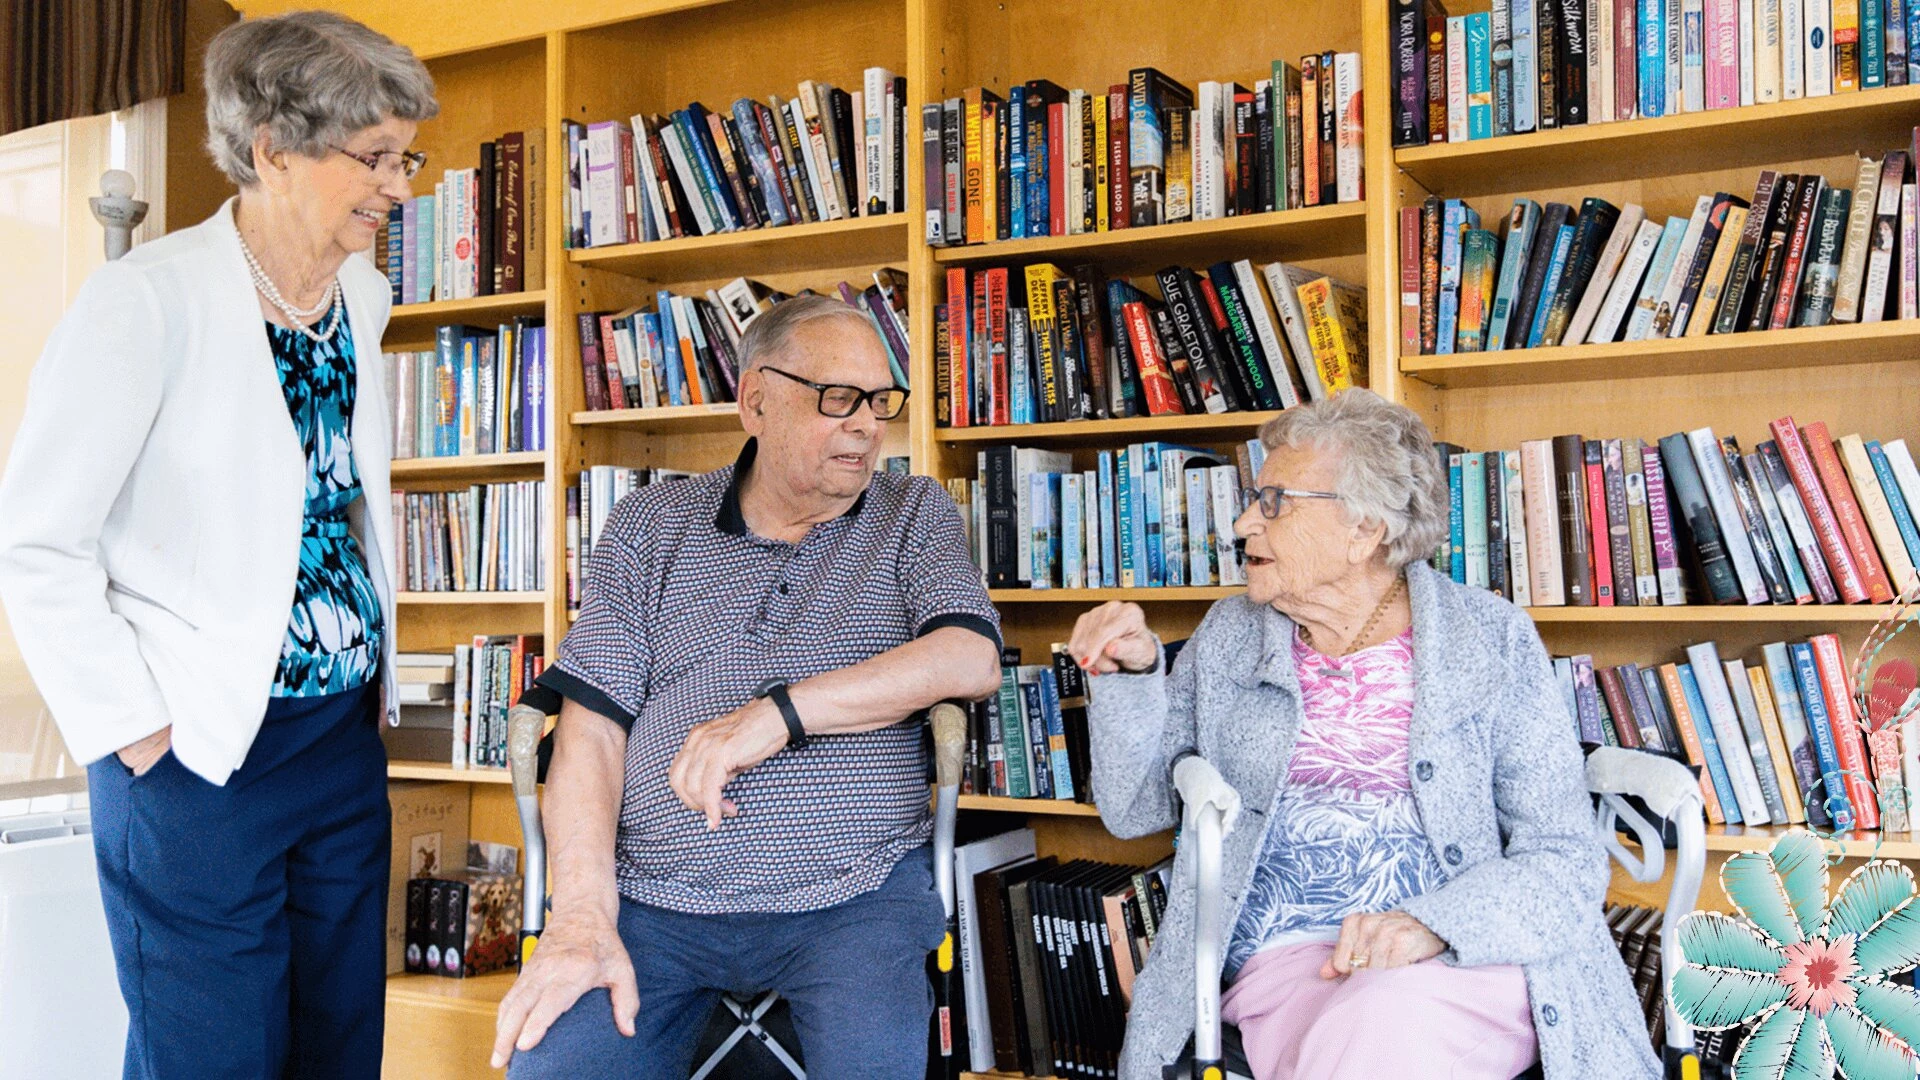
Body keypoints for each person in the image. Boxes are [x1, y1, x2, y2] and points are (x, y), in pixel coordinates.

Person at [0, 11, 435, 1078]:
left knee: (339, 1043)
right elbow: (38, 542)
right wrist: (136, 734)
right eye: (374, 158)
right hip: (195, 747)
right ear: (274, 149)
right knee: (213, 1055)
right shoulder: (142, 302)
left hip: (336, 734)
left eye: (406, 155)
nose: (401, 185)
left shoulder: (362, 299)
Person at [1068, 389, 1657, 1080]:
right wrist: (1130, 678)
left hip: (1465, 958)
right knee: (1366, 1031)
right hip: (1290, 966)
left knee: (1386, 1021)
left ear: (1365, 529)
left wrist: (1436, 923)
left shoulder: (1489, 638)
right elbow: (1133, 809)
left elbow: (1564, 857)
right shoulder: (1230, 636)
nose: (1240, 522)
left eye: (1274, 501)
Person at [493, 294, 1003, 1079]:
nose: (867, 424)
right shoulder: (650, 523)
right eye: (839, 398)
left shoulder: (912, 511)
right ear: (756, 401)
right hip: (651, 903)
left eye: (880, 400)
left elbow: (968, 656)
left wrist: (782, 715)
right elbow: (590, 728)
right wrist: (583, 920)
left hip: (853, 898)